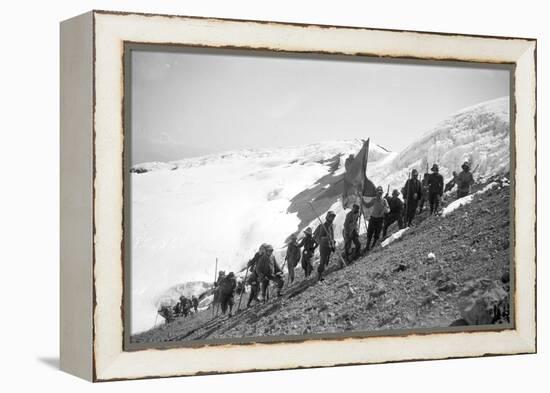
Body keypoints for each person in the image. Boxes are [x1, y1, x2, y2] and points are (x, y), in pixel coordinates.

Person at [363, 186, 390, 252]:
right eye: (378, 193)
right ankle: (367, 246)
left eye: (380, 193)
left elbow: (388, 209)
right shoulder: (374, 200)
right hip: (373, 218)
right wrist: (362, 201)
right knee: (370, 233)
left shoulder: (384, 201)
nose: (379, 194)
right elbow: (367, 205)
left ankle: (372, 246)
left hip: (380, 219)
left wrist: (385, 210)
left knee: (377, 234)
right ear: (376, 193)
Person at [313, 211, 336, 282]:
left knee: (326, 261)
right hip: (323, 247)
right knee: (323, 261)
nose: (332, 218)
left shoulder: (330, 226)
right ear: (327, 217)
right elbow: (321, 237)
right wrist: (327, 238)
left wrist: (333, 245)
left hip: (329, 246)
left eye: (333, 216)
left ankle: (321, 273)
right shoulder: (324, 226)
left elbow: (332, 237)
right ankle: (319, 275)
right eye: (331, 216)